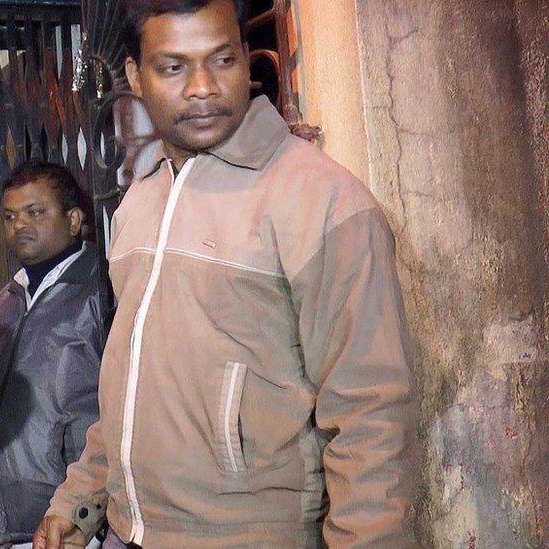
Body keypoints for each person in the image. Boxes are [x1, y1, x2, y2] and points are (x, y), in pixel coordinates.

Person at [34, 1, 417, 547]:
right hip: (127, 533)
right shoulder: (138, 205)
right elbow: (131, 384)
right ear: (133, 76)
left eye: (222, 60)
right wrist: (82, 500)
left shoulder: (323, 202)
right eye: (173, 67)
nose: (203, 87)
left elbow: (372, 413)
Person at [0, 161, 105, 549]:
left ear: (74, 219)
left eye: (35, 213)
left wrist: (84, 514)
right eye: (10, 216)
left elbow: (124, 413)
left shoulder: (100, 292)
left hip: (71, 525)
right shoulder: (4, 303)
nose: (19, 226)